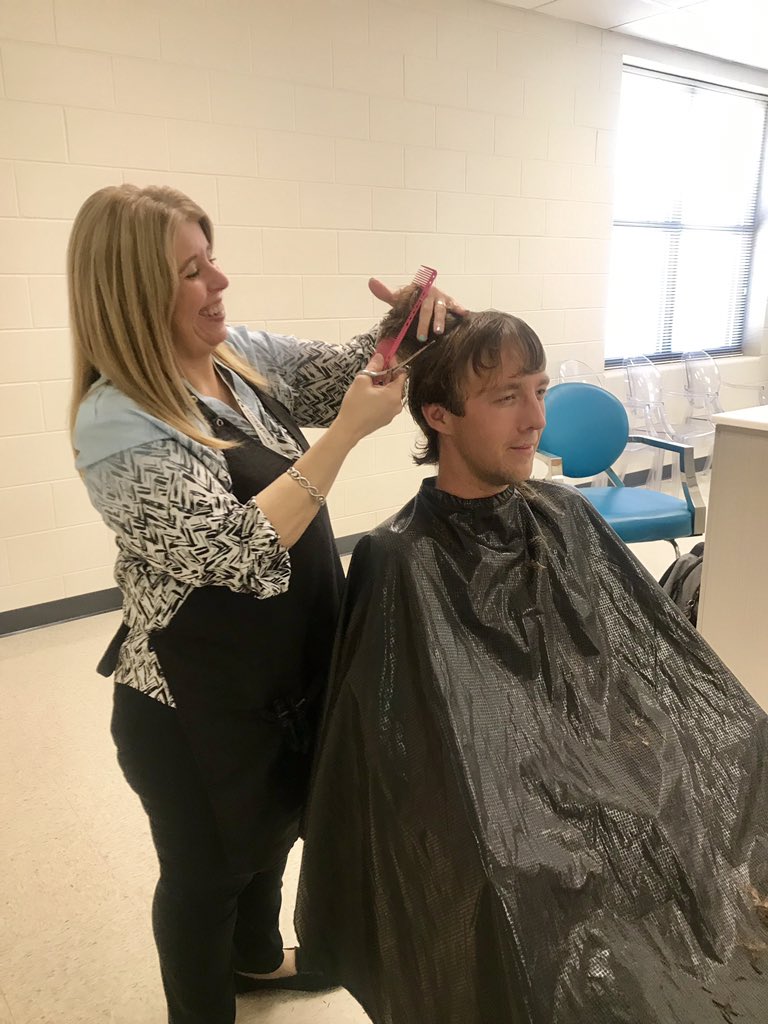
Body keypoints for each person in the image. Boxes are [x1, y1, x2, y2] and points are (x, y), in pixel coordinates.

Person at [296, 294, 768, 1023]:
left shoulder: (565, 513)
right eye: (506, 397)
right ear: (439, 415)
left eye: (540, 391)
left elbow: (649, 658)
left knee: (736, 749)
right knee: (524, 877)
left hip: (591, 762)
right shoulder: (398, 559)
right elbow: (402, 760)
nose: (536, 420)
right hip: (503, 804)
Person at [67, 184, 463, 1024]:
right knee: (205, 875)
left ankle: (253, 960)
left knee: (275, 827)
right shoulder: (116, 421)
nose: (220, 282)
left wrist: (406, 325)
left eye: (211, 258)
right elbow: (237, 552)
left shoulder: (235, 354)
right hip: (189, 703)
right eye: (192, 272)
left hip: (281, 671)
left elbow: (338, 373)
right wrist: (343, 437)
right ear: (133, 292)